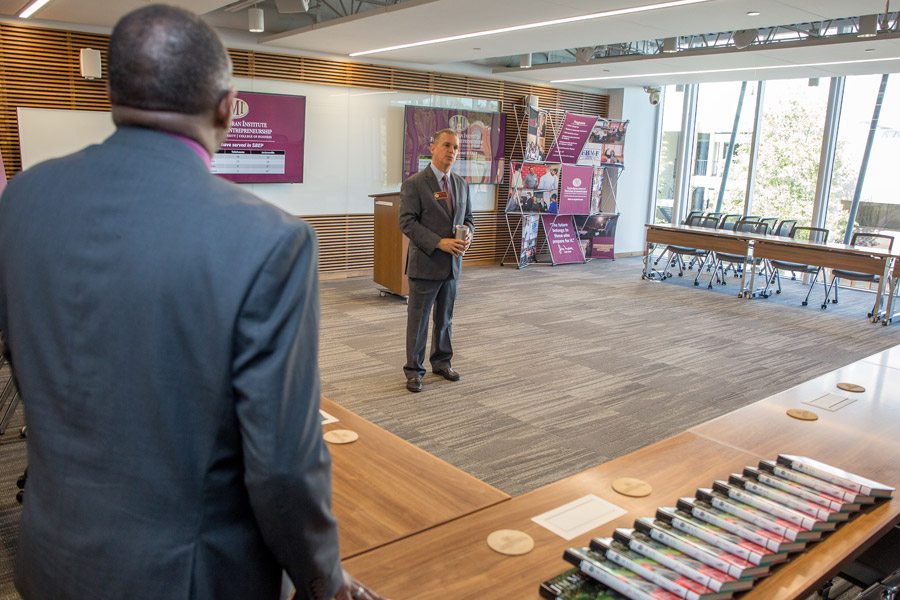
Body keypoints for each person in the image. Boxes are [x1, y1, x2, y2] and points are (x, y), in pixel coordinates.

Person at [0, 6, 383, 600]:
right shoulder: (268, 239)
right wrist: (322, 578)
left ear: (113, 93)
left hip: (49, 560)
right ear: (227, 106)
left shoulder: (21, 200)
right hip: (185, 581)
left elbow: (26, 361)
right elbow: (282, 463)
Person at [399, 128, 474, 393]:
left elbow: (468, 220)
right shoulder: (415, 183)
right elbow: (406, 222)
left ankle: (441, 362)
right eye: (446, 145)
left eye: (455, 147)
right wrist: (439, 242)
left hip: (452, 265)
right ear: (432, 148)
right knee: (418, 321)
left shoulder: (462, 185)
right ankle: (414, 370)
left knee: (445, 319)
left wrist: (469, 235)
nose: (452, 151)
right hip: (426, 263)